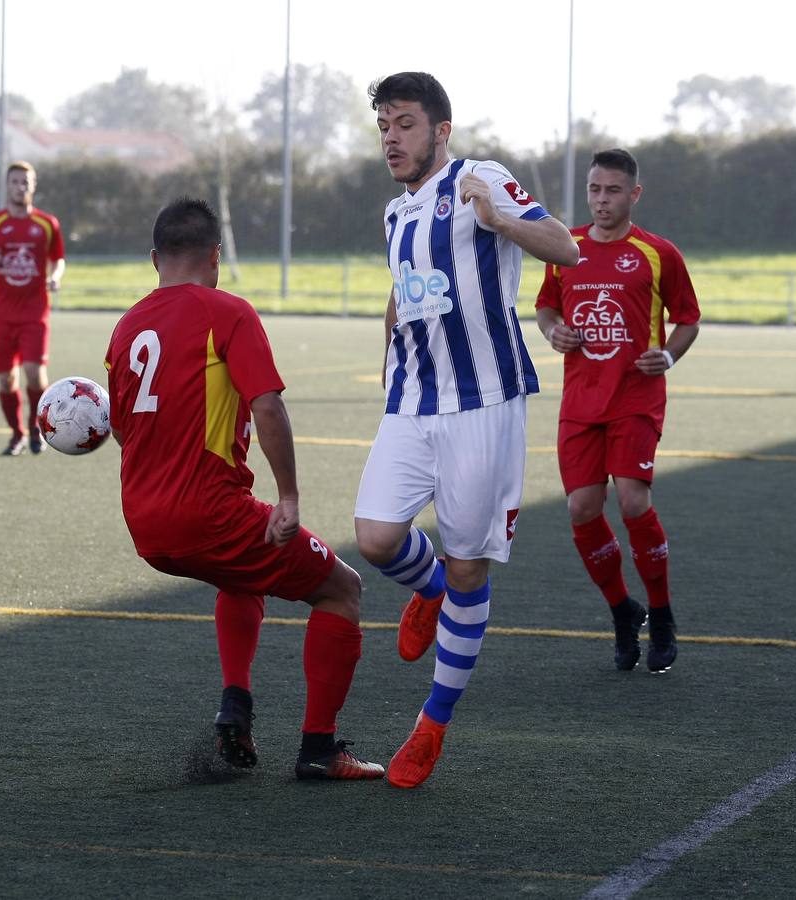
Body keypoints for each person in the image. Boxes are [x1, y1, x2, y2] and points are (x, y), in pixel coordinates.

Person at [104, 197, 384, 782]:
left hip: (143, 524)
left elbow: (123, 433)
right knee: (342, 590)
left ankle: (236, 705)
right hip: (208, 514)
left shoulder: (126, 325)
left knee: (240, 576)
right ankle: (319, 748)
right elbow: (268, 406)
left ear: (155, 260)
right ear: (216, 256)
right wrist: (288, 497)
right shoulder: (228, 312)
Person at [354, 72, 579, 789]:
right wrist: (386, 361)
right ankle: (427, 593)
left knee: (469, 567)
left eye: (406, 123)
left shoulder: (480, 178)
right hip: (412, 402)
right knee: (376, 537)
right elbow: (403, 295)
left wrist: (502, 220)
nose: (392, 136)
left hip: (484, 404)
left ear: (441, 131)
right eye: (385, 124)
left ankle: (431, 726)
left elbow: (565, 246)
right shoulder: (395, 215)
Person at [535, 148, 701, 674]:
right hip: (580, 403)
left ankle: (663, 614)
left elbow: (688, 318)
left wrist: (669, 354)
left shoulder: (657, 253)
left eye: (612, 190)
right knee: (582, 510)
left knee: (631, 499)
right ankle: (622, 614)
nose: (602, 200)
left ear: (634, 194)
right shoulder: (567, 247)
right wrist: (552, 330)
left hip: (635, 398)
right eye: (594, 190)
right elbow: (545, 307)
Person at [0, 161, 65, 455]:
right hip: (2, 314)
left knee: (34, 373)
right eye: (15, 181)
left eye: (25, 182)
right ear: (7, 186)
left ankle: (36, 428)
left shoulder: (47, 224)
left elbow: (58, 258)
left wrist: (55, 276)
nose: (20, 187)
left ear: (33, 186)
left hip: (34, 312)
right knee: (6, 379)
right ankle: (16, 433)